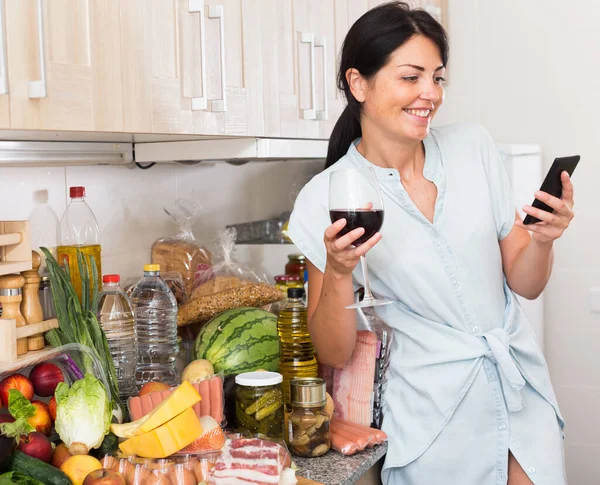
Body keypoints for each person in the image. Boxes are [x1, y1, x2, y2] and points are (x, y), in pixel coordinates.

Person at [287, 2, 574, 484]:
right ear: (358, 83)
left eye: (437, 78)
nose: (430, 94)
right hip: (433, 416)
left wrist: (544, 240)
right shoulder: (325, 197)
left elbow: (526, 283)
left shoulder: (474, 148)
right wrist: (339, 272)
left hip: (518, 393)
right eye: (411, 77)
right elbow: (332, 352)